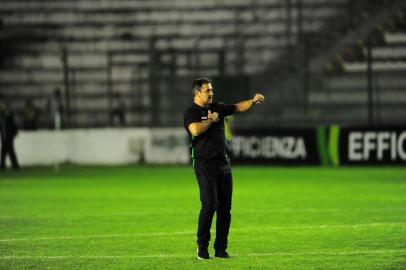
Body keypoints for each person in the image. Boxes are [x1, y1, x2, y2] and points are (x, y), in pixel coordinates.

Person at [183, 78, 265, 259]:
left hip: (224, 165)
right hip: (204, 166)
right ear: (197, 92)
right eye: (207, 90)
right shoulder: (192, 112)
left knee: (225, 208)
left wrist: (252, 101)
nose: (211, 93)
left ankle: (221, 248)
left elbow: (237, 107)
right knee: (209, 204)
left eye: (211, 90)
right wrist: (211, 121)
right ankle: (202, 246)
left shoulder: (218, 107)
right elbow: (195, 130)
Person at [0, 102, 20, 170]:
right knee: (5, 152)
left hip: (8, 137)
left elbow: (13, 126)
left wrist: (15, 132)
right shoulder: (3, 118)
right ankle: (5, 165)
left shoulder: (8, 118)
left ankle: (14, 165)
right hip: (4, 137)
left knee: (9, 151)